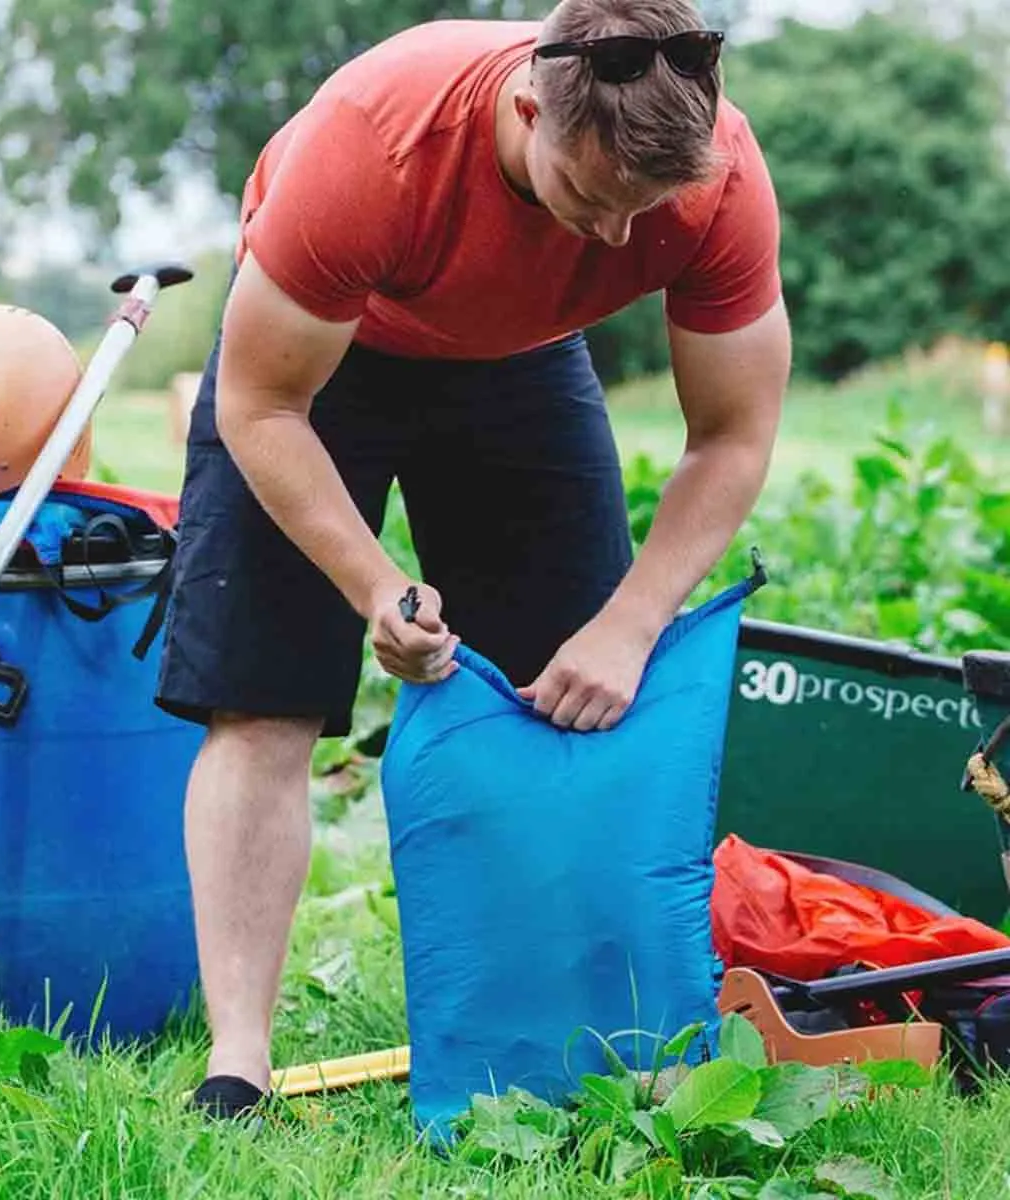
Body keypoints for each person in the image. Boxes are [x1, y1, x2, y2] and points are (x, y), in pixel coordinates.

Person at [156, 0, 792, 1119]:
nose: (610, 237)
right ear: (526, 104)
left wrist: (631, 622)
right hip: (321, 362)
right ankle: (237, 1063)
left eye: (643, 211)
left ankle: (550, 1032)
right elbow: (261, 405)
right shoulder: (376, 144)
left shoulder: (719, 180)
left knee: (571, 697)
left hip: (521, 366)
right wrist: (373, 590)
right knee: (261, 701)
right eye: (590, 198)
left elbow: (733, 436)